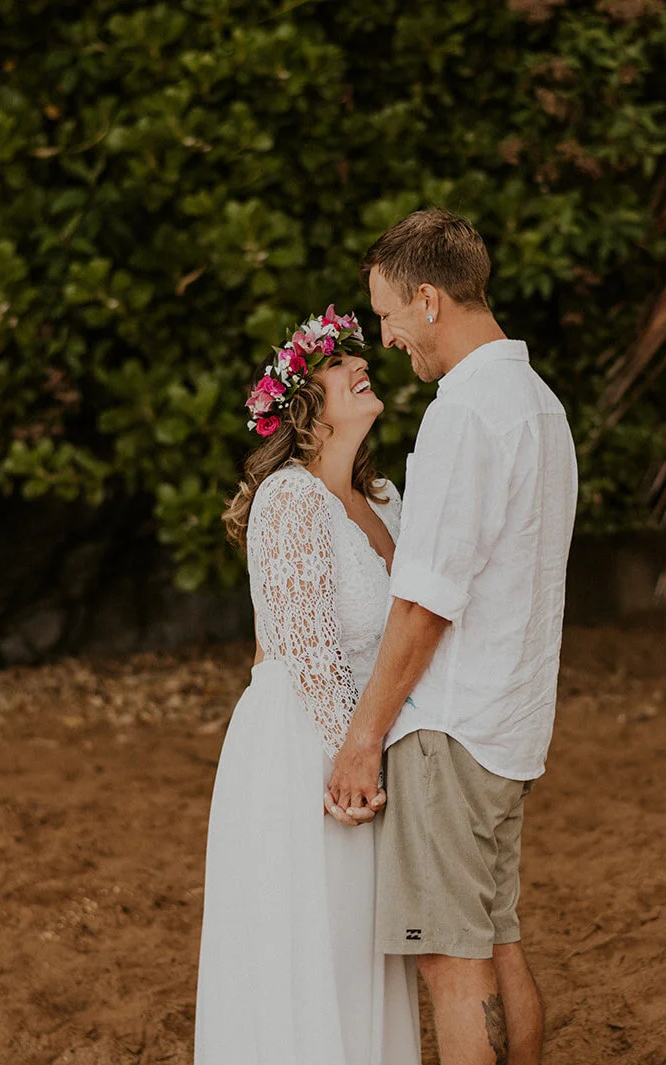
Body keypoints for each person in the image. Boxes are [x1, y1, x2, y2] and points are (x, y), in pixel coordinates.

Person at [327, 209, 578, 1065]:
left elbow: (424, 604)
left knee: (450, 959)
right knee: (497, 936)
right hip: (510, 724)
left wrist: (365, 738)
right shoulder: (540, 407)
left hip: (451, 727)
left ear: (428, 300)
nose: (388, 337)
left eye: (388, 315)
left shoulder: (465, 414)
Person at [193, 307, 421, 1065]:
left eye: (357, 358)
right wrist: (355, 765)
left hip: (369, 737)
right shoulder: (290, 501)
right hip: (305, 753)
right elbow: (305, 656)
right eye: (335, 363)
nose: (360, 365)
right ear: (303, 408)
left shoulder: (386, 498)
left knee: (362, 946)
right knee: (314, 945)